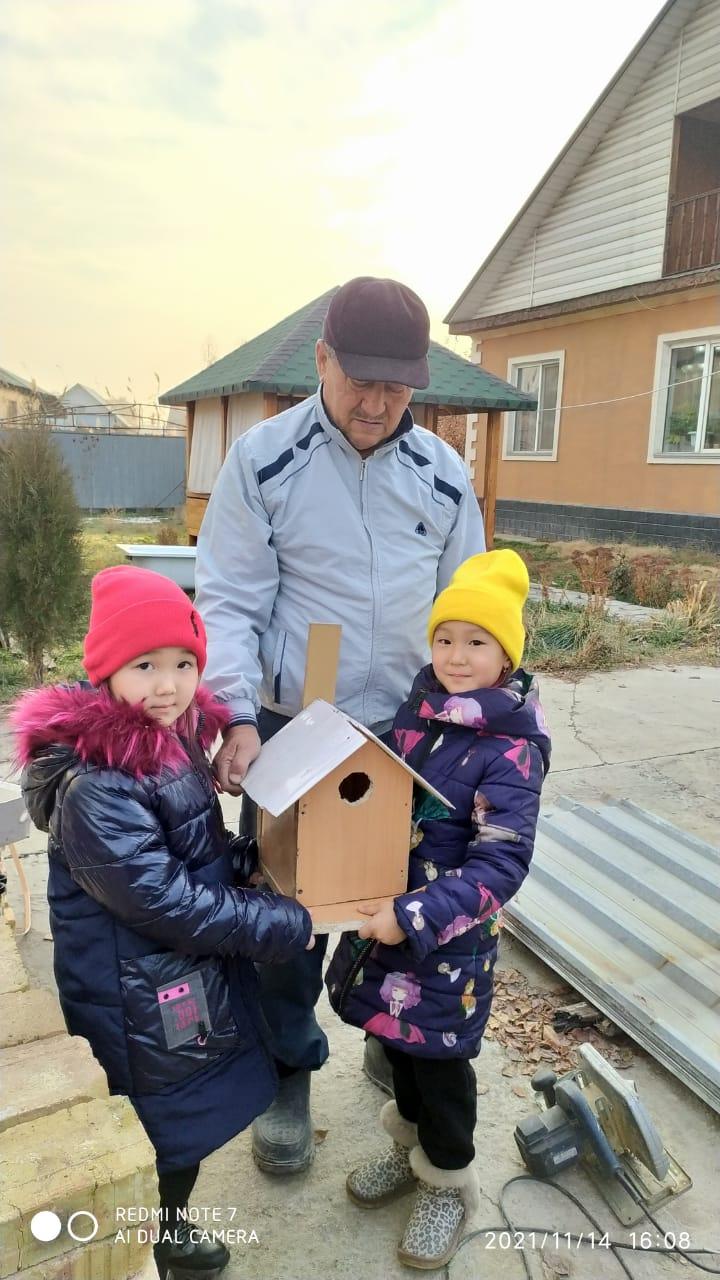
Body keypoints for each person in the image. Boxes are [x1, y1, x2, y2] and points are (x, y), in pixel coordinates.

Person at [194, 275, 486, 1175]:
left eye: (396, 387)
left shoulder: (443, 474)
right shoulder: (263, 461)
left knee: (400, 901)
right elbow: (230, 599)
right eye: (361, 381)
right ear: (321, 360)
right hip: (295, 724)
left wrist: (482, 718)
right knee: (289, 914)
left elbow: (469, 604)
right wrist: (234, 716)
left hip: (412, 732)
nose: (376, 404)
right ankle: (288, 1069)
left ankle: (392, 1037)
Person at [11, 566, 313, 1280]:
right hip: (132, 989)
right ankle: (154, 1241)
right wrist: (277, 921)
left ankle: (164, 1228)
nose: (168, 685)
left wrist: (242, 862)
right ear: (106, 670)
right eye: (144, 666)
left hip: (166, 975)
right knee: (162, 1128)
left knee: (181, 1123)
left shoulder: (166, 739)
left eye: (183, 664)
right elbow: (162, 900)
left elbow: (188, 853)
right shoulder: (98, 782)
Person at [324, 549, 551, 1270]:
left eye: (476, 641)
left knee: (441, 1063)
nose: (456, 655)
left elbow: (501, 864)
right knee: (398, 1047)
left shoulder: (511, 750)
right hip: (388, 919)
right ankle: (409, 1148)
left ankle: (449, 1182)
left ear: (506, 656)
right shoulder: (416, 715)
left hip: (448, 944)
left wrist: (415, 916)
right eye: (445, 638)